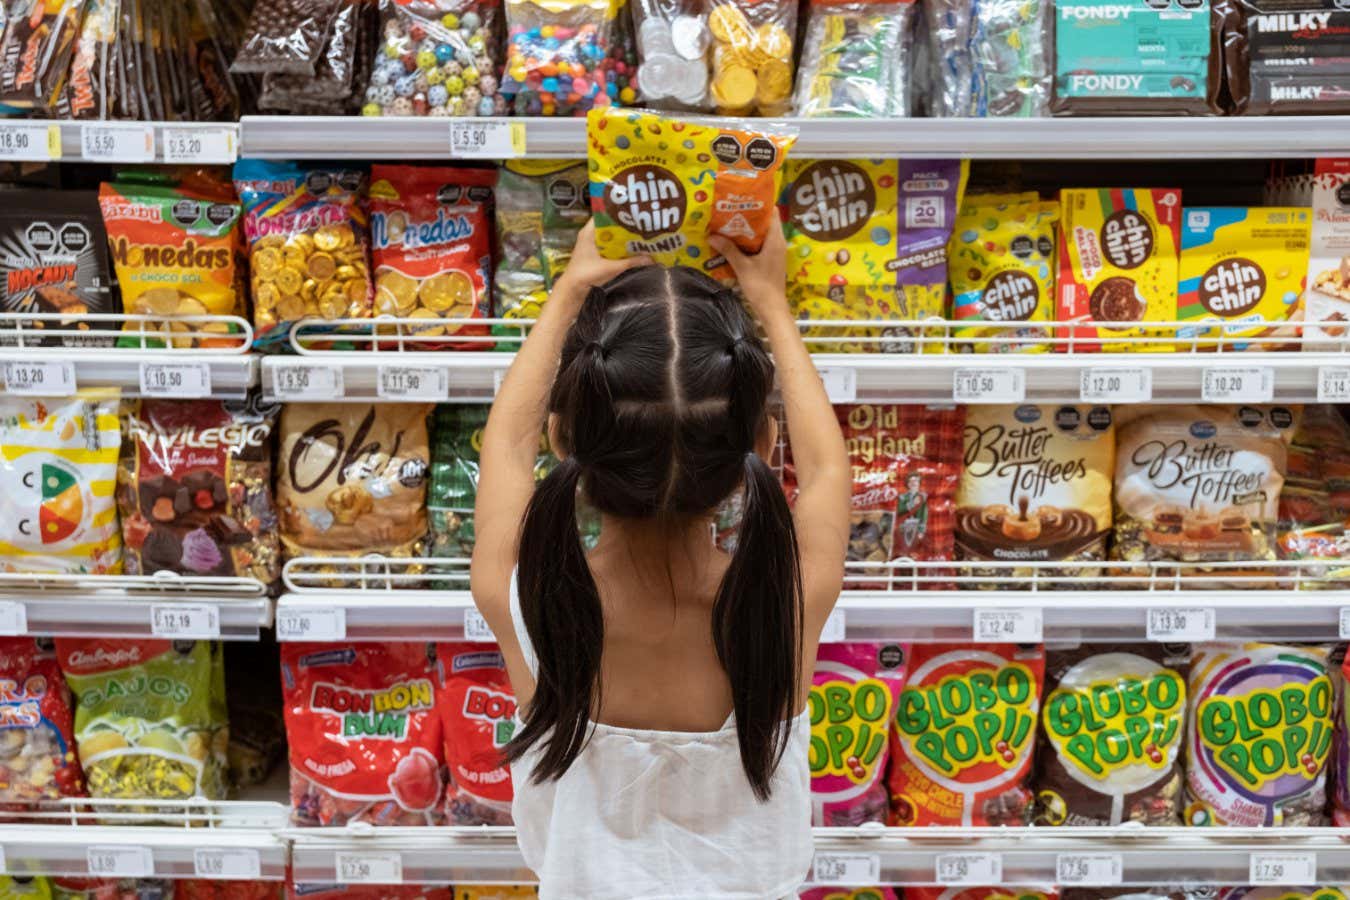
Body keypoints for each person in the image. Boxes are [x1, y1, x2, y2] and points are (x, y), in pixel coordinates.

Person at [471, 220, 850, 899]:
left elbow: (501, 450)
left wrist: (566, 294)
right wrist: (772, 301)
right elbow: (826, 473)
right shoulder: (786, 601)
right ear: (763, 447)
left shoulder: (523, 598)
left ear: (565, 441)